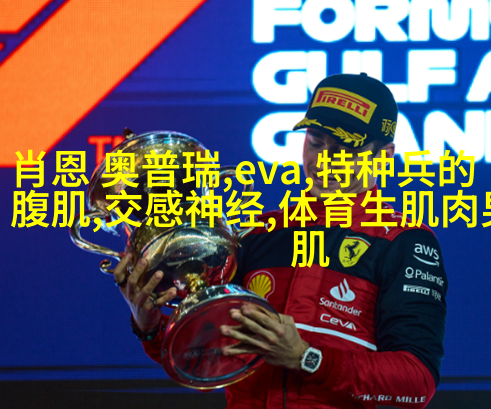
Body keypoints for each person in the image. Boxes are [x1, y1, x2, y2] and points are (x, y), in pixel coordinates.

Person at [113, 73, 448, 408]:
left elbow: (418, 382)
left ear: (384, 155)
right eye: (315, 142)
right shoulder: (258, 233)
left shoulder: (404, 242)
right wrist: (149, 324)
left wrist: (306, 357)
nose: (324, 160)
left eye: (344, 149)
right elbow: (202, 356)